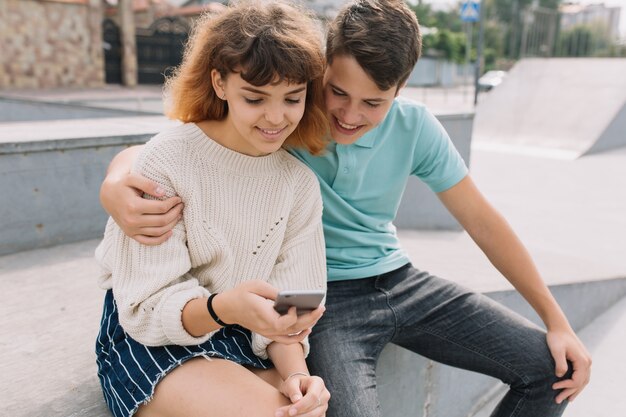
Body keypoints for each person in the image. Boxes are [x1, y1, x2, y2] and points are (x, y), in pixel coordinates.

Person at [99, 1, 592, 416]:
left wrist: (557, 321)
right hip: (313, 299)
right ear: (323, 70)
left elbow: (482, 220)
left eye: (374, 103)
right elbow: (185, 147)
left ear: (399, 92)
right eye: (337, 93)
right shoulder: (285, 120)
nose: (350, 116)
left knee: (553, 369)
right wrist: (116, 180)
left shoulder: (400, 129)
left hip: (393, 278)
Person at [94, 2, 332, 417]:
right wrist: (226, 307)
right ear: (219, 82)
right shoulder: (166, 162)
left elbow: (293, 307)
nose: (276, 117)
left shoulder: (299, 185)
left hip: (241, 334)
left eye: (292, 98)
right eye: (255, 98)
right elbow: (149, 307)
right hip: (152, 337)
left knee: (303, 408)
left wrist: (296, 376)